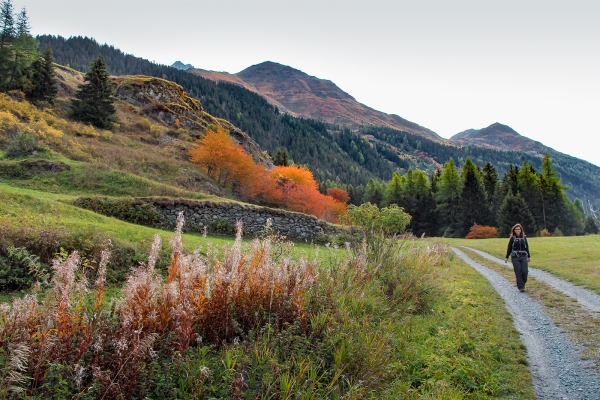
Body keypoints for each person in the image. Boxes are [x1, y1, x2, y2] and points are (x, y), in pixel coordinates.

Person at [504, 223, 530, 292]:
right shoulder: (513, 238)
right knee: (518, 272)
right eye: (516, 229)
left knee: (525, 272)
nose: (518, 230)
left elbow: (527, 247)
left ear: (521, 230)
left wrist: (529, 256)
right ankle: (521, 287)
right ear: (514, 230)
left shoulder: (524, 237)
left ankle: (522, 282)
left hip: (524, 256)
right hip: (515, 257)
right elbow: (509, 248)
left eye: (519, 229)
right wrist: (507, 257)